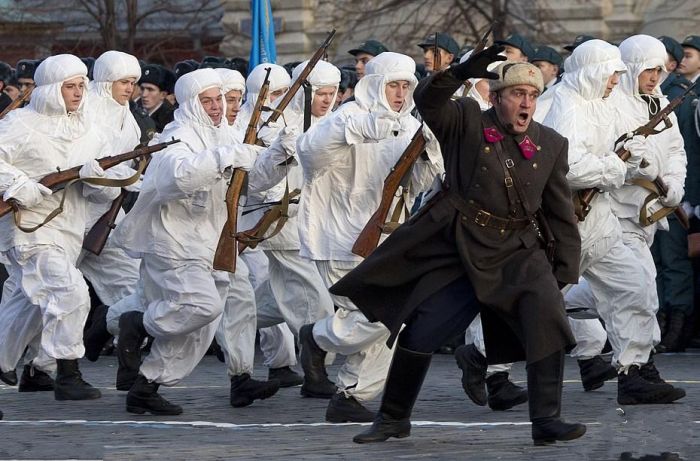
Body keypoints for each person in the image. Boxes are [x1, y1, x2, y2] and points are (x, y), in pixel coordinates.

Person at [331, 48, 586, 446]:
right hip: (460, 246)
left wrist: (564, 270)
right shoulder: (466, 120)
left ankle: (547, 420)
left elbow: (559, 211)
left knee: (548, 319)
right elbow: (428, 101)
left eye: (532, 95)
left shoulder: (551, 143)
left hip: (518, 252)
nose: (526, 103)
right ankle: (393, 418)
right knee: (423, 330)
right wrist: (458, 72)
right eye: (517, 94)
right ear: (497, 97)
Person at [296, 51, 443, 423]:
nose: (400, 94)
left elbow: (415, 187)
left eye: (406, 86)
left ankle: (351, 394)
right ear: (376, 85)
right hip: (337, 237)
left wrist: (430, 153)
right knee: (378, 316)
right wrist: (363, 127)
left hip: (385, 240)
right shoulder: (346, 117)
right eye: (393, 85)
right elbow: (310, 153)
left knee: (391, 319)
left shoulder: (408, 126)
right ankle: (318, 338)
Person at [543, 39, 684, 404]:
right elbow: (569, 167)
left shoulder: (602, 104)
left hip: (600, 221)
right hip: (570, 225)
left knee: (634, 286)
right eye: (612, 75)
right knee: (533, 301)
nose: (616, 82)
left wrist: (637, 161)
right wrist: (620, 166)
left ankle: (633, 372)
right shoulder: (567, 106)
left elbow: (665, 151)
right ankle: (485, 359)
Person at [112, 68, 258, 414]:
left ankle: (147, 385)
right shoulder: (177, 136)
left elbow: (252, 181)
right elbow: (175, 178)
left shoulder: (225, 134)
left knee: (199, 325)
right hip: (175, 242)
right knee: (201, 306)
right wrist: (225, 156)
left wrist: (279, 157)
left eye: (218, 99)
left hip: (210, 242)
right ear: (192, 103)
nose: (216, 107)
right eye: (207, 101)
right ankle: (138, 323)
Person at [0, 54, 125, 401]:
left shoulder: (91, 130)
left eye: (81, 86)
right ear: (52, 89)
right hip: (29, 230)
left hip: (68, 230)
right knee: (70, 292)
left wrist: (99, 180)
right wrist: (19, 185)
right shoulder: (20, 124)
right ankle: (68, 373)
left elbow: (103, 188)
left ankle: (13, 365)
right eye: (70, 86)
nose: (78, 93)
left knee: (25, 307)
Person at [137, 64, 175, 132]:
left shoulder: (171, 119)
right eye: (142, 89)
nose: (144, 94)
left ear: (163, 95)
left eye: (150, 89)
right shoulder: (135, 112)